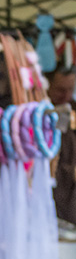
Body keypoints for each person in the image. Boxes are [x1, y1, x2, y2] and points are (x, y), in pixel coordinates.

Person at [49, 65, 76, 224]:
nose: (65, 96)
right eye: (60, 90)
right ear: (49, 85)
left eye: (70, 90)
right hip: (50, 181)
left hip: (70, 190)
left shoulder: (73, 109)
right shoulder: (37, 111)